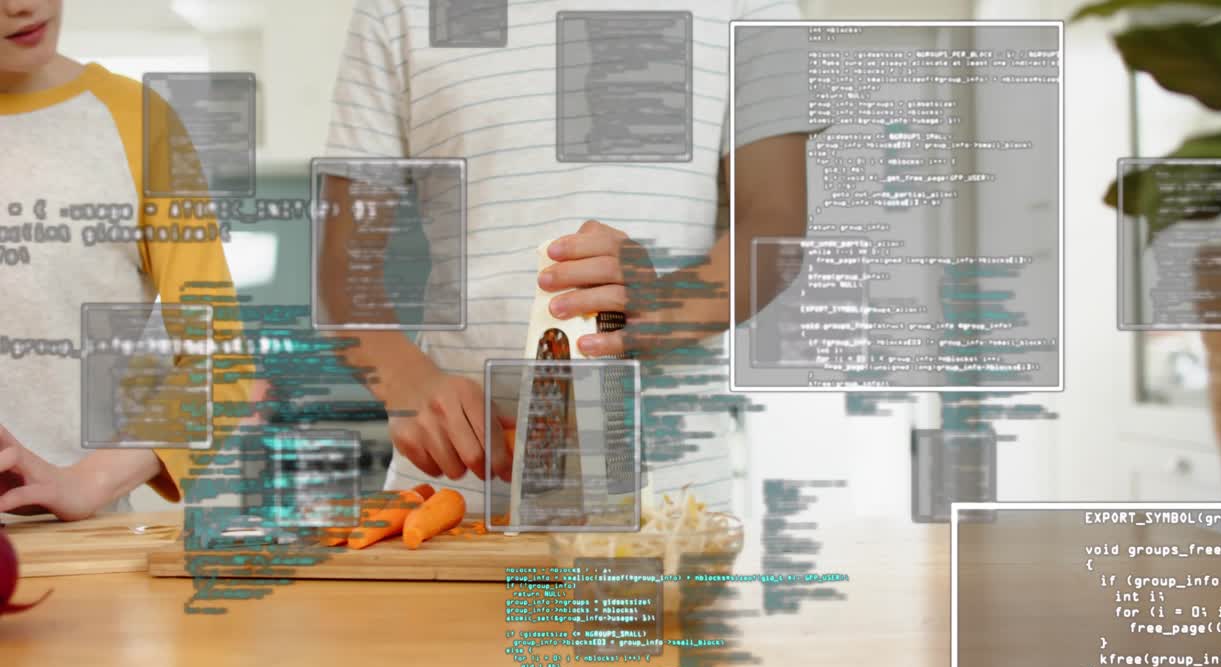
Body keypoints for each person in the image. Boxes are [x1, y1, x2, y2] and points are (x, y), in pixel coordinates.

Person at [322, 0, 813, 511]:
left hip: (666, 499)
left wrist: (663, 305)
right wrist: (405, 378)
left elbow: (774, 225)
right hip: (455, 493)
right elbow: (343, 270)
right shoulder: (393, 11)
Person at [0, 0, 251, 520]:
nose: (19, 5)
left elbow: (219, 360)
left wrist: (90, 483)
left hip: (82, 553)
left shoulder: (138, 122)